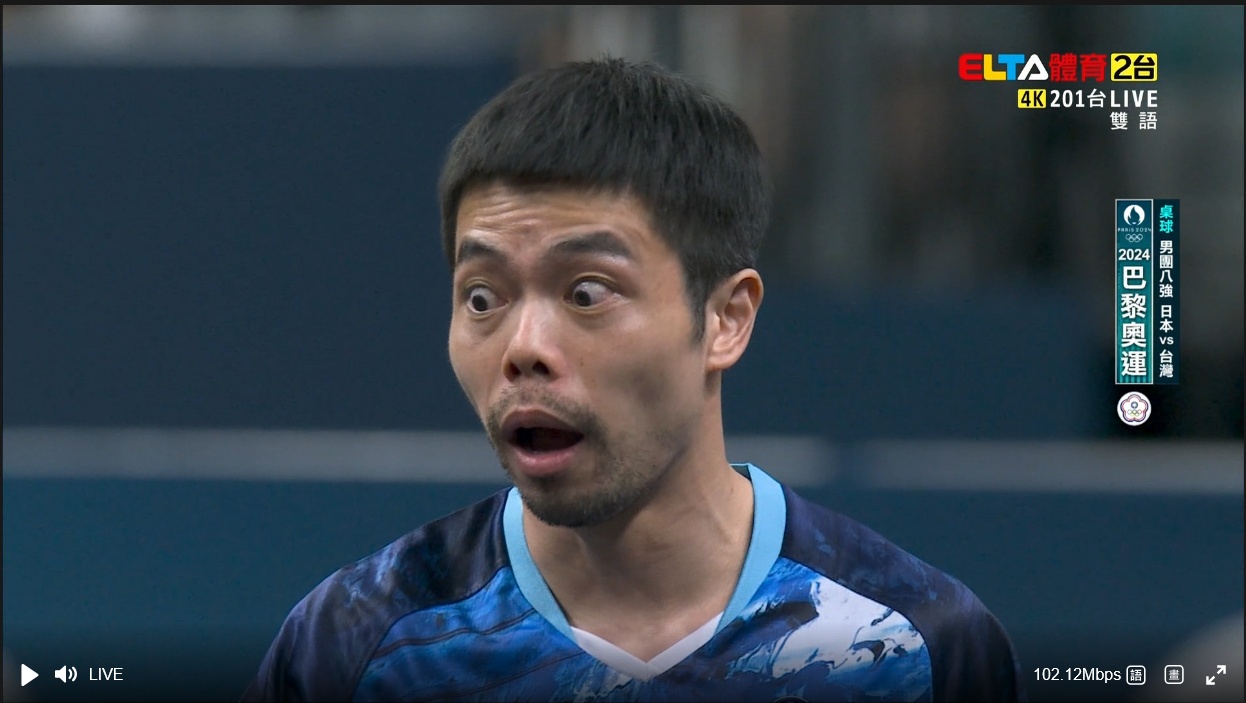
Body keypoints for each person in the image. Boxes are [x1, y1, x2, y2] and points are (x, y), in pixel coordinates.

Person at [241, 56, 1024, 703]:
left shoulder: (919, 646)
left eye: (587, 292)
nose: (524, 347)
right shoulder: (353, 647)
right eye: (482, 297)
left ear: (726, 318)